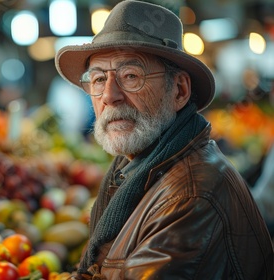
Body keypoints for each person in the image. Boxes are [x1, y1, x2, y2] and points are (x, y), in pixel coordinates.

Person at [54, 0, 274, 279]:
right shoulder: (139, 169)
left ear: (179, 91)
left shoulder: (190, 197)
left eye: (131, 76)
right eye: (98, 79)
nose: (109, 96)